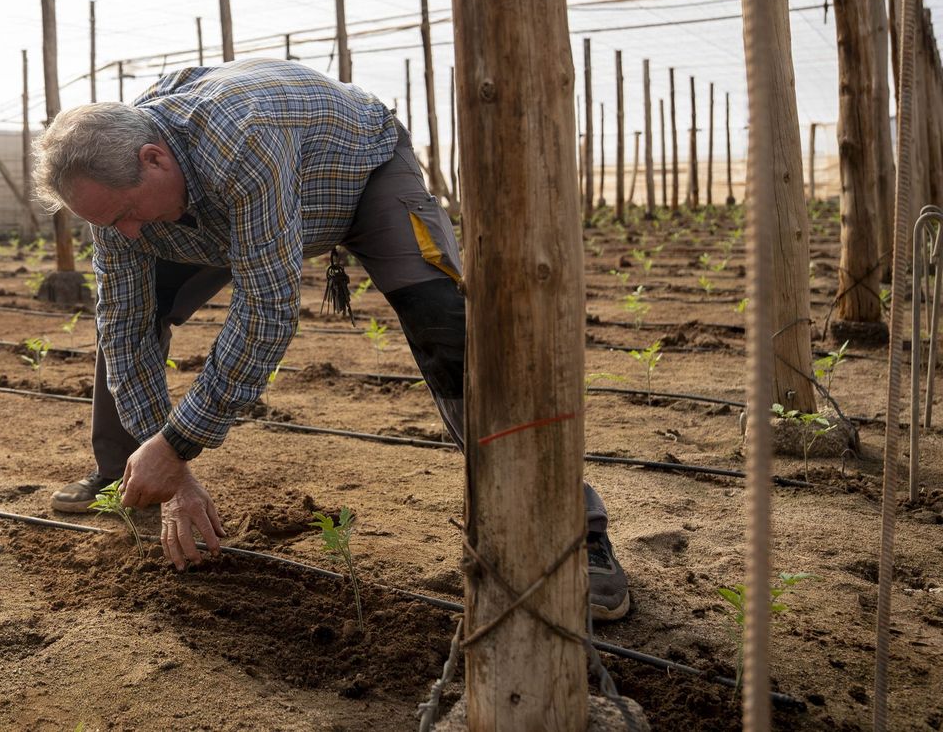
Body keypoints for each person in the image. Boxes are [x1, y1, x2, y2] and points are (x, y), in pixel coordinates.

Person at [31, 59, 630, 622]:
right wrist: (172, 473)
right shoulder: (118, 209)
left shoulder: (240, 138)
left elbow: (266, 311)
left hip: (358, 174)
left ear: (154, 158)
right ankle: (129, 476)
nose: (126, 232)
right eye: (108, 223)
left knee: (448, 328)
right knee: (129, 324)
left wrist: (180, 444)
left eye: (127, 213)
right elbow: (126, 326)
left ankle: (573, 532)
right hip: (220, 215)